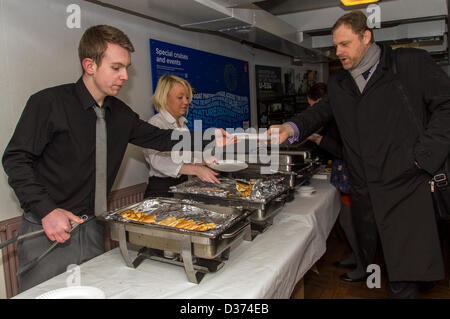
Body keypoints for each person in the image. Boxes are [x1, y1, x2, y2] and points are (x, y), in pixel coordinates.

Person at [2, 25, 231, 292]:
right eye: (116, 67)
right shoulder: (48, 103)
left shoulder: (120, 114)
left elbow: (161, 138)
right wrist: (47, 211)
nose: (124, 76)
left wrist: (212, 138)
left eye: (127, 68)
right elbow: (16, 160)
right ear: (89, 65)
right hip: (48, 228)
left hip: (93, 227)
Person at [267, 11, 450, 298]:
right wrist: (290, 128)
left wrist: (423, 156)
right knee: (384, 265)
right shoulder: (341, 83)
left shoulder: (408, 64)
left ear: (367, 37)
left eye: (345, 44)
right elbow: (321, 111)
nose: (338, 52)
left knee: (406, 274)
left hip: (407, 185)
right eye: (335, 46)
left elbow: (446, 105)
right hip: (366, 189)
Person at [306, 83, 369, 282]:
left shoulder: (343, 120)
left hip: (353, 178)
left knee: (353, 224)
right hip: (346, 178)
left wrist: (317, 139)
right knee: (348, 222)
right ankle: (357, 257)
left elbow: (345, 151)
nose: (311, 111)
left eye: (313, 106)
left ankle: (364, 266)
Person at [143, 74, 219, 198]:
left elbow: (185, 156)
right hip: (162, 189)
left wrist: (203, 161)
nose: (186, 101)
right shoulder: (156, 123)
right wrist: (196, 170)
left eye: (187, 97)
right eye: (180, 97)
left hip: (182, 184)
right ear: (164, 98)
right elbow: (158, 161)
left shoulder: (182, 124)